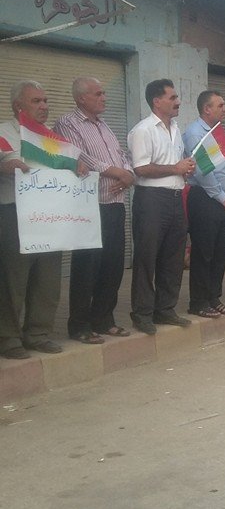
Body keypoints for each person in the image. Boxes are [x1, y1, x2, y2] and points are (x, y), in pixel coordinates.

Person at [0, 81, 86, 358]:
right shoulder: (4, 133)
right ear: (18, 106)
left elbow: (67, 166)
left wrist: (77, 167)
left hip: (50, 217)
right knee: (13, 279)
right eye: (36, 101)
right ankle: (8, 338)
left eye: (46, 100)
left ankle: (38, 333)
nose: (44, 106)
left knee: (47, 279)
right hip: (15, 214)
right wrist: (5, 166)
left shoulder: (53, 139)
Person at [54, 77, 135, 343]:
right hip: (89, 206)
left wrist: (128, 174)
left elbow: (121, 155)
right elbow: (79, 156)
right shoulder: (67, 123)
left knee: (113, 265)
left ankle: (103, 318)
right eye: (98, 94)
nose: (104, 98)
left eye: (103, 93)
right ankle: (79, 325)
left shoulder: (104, 125)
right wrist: (117, 172)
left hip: (115, 204)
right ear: (82, 98)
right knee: (87, 266)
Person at [127, 79, 195, 335]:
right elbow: (141, 168)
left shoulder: (175, 129)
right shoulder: (143, 130)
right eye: (172, 97)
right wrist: (175, 168)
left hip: (176, 198)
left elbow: (173, 165)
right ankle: (142, 313)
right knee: (147, 257)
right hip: (152, 200)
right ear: (157, 101)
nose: (178, 101)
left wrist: (184, 169)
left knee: (173, 257)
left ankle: (165, 309)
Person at [182, 90, 225, 318]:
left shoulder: (215, 131)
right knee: (204, 252)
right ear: (207, 109)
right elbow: (202, 171)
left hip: (222, 201)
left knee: (219, 253)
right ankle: (198, 302)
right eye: (220, 105)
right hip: (206, 199)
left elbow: (219, 162)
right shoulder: (195, 133)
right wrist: (222, 197)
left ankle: (214, 297)